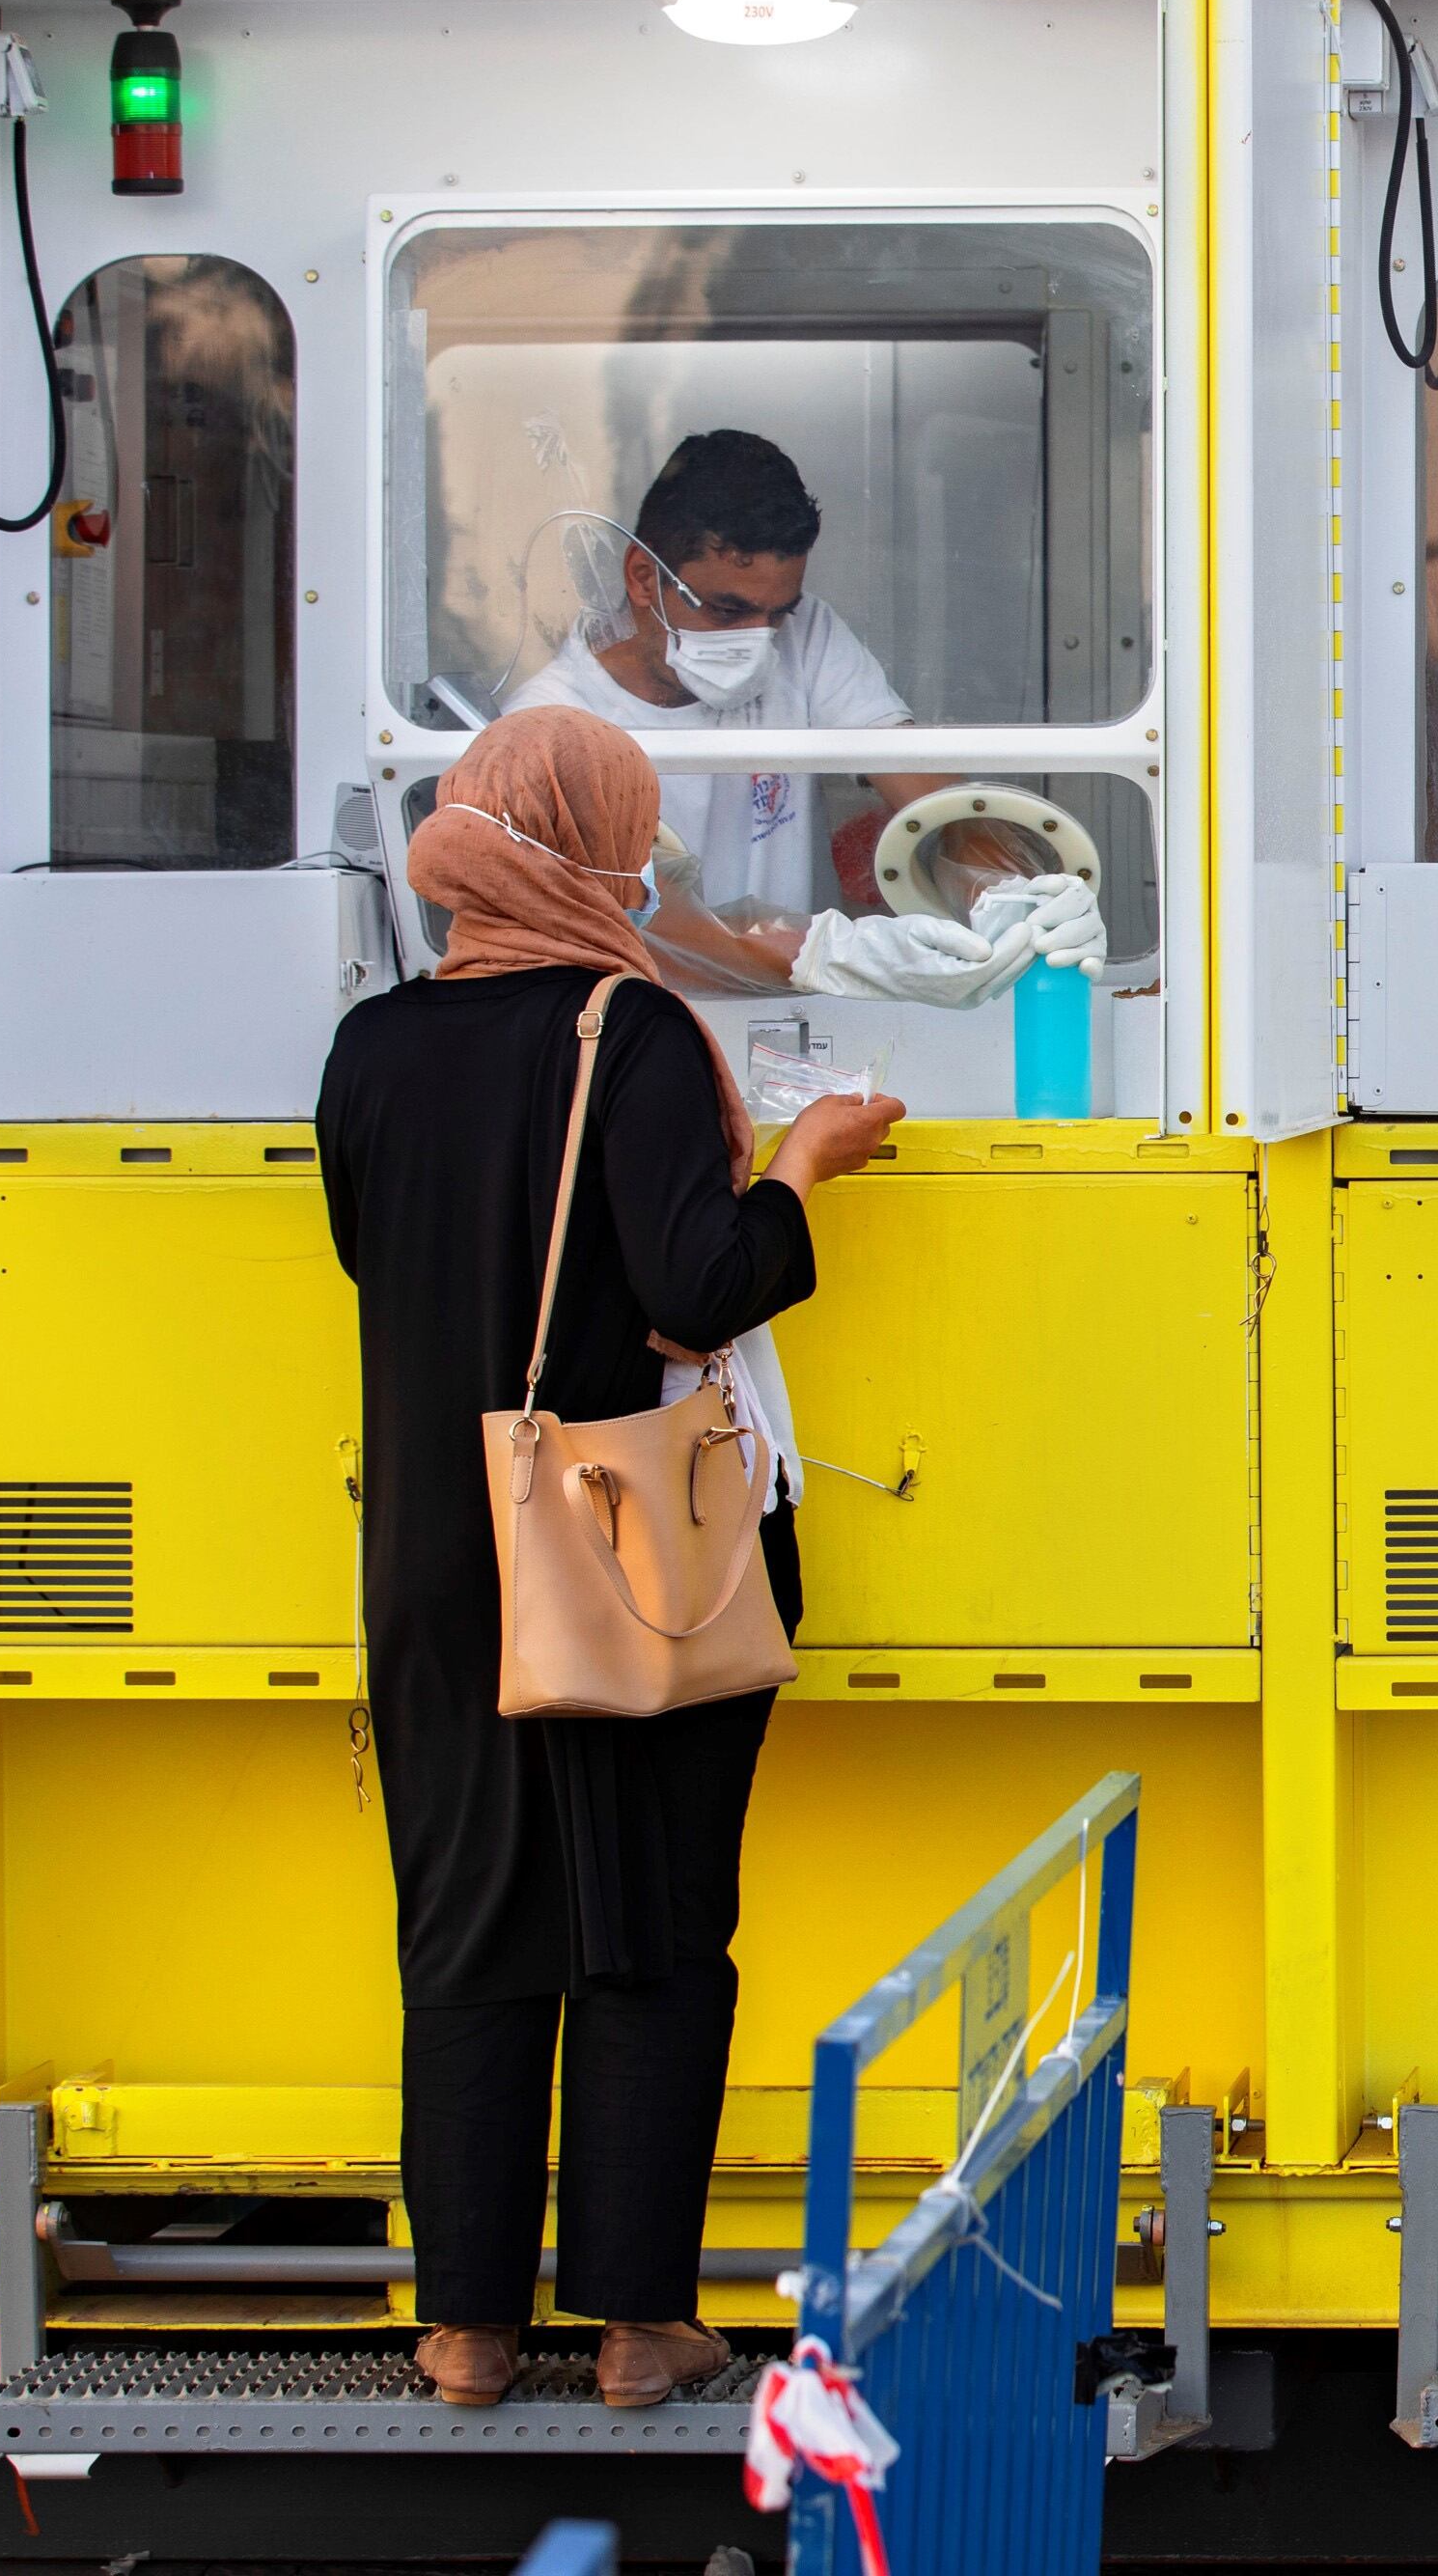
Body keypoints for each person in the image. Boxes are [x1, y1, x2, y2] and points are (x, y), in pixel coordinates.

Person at [319, 705, 904, 2413]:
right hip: (629, 1548)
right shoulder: (626, 1031)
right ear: (596, 848)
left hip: (440, 1554)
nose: (645, 868)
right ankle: (641, 2325)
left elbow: (384, 1259)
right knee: (647, 1931)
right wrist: (802, 1166)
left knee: (470, 1933)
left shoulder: (370, 1049)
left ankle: (468, 2331)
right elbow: (696, 1288)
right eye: (632, 837)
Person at [507, 429, 1100, 1003]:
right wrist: (837, 955)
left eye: (775, 613)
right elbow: (642, 918)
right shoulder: (548, 721)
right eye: (726, 610)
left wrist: (1008, 898)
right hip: (633, 1028)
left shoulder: (806, 635)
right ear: (643, 578)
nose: (757, 639)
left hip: (799, 1014)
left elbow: (931, 802)